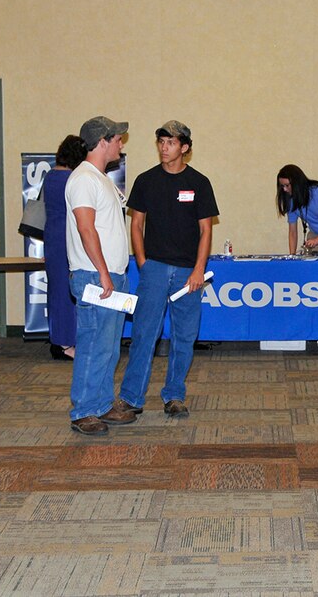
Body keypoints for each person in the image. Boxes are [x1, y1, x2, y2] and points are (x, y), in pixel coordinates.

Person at [116, 121, 218, 419]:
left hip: (188, 272)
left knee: (185, 337)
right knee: (144, 334)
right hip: (155, 268)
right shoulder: (146, 181)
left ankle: (174, 395)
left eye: (171, 143)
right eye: (161, 142)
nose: (164, 147)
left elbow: (206, 230)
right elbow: (136, 224)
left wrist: (199, 269)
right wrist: (143, 262)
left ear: (184, 147)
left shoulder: (199, 183)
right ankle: (131, 397)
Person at [66, 115, 135, 435]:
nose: (121, 143)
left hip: (110, 276)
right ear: (103, 142)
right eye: (117, 138)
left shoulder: (101, 178)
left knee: (108, 345)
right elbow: (85, 228)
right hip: (95, 277)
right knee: (94, 344)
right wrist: (104, 274)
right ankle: (83, 409)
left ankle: (102, 403)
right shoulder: (83, 179)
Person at [43, 134, 88, 361]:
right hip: (67, 238)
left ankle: (58, 340)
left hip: (52, 237)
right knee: (67, 293)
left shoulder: (50, 176)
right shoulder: (72, 179)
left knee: (57, 290)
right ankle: (65, 344)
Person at [276, 164, 318, 255]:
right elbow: (292, 232)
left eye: (287, 185)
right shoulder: (291, 201)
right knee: (313, 260)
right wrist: (292, 256)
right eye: (282, 186)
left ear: (297, 183)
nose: (284, 189)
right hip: (315, 234)